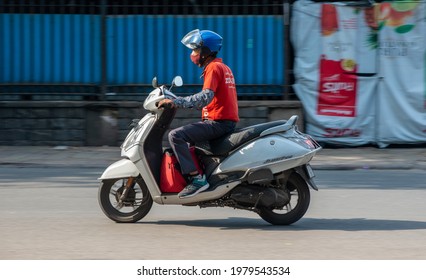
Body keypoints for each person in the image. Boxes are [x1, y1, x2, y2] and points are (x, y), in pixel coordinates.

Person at [157, 29, 239, 198]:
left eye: (195, 50)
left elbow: (204, 98)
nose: (192, 54)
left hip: (218, 123)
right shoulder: (223, 67)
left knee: (176, 136)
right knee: (192, 144)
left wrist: (176, 102)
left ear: (206, 51)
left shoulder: (213, 68)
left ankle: (197, 180)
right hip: (224, 121)